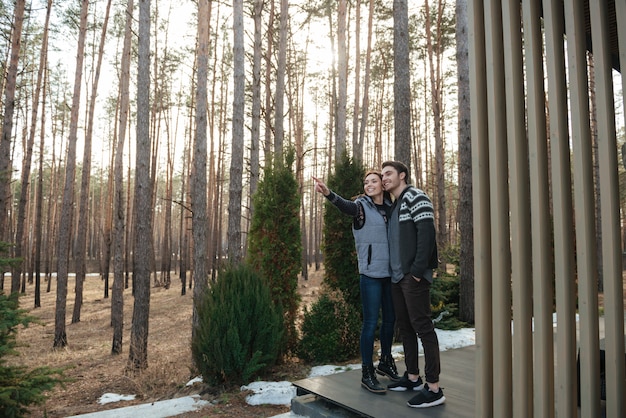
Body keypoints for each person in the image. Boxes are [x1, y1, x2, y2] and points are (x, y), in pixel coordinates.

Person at [313, 171, 401, 395]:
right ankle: (367, 373)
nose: (369, 185)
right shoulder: (360, 207)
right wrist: (328, 194)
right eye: (366, 182)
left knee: (390, 320)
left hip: (390, 274)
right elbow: (345, 206)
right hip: (370, 275)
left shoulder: (392, 208)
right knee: (370, 324)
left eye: (373, 181)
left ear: (382, 184)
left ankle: (386, 361)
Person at [381, 160, 445, 408]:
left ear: (402, 175)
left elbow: (427, 234)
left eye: (389, 174)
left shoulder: (416, 196)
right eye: (383, 174)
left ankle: (434, 387)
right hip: (398, 277)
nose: (385, 178)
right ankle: (412, 377)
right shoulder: (395, 205)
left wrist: (417, 271)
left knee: (423, 328)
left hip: (412, 276)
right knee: (405, 327)